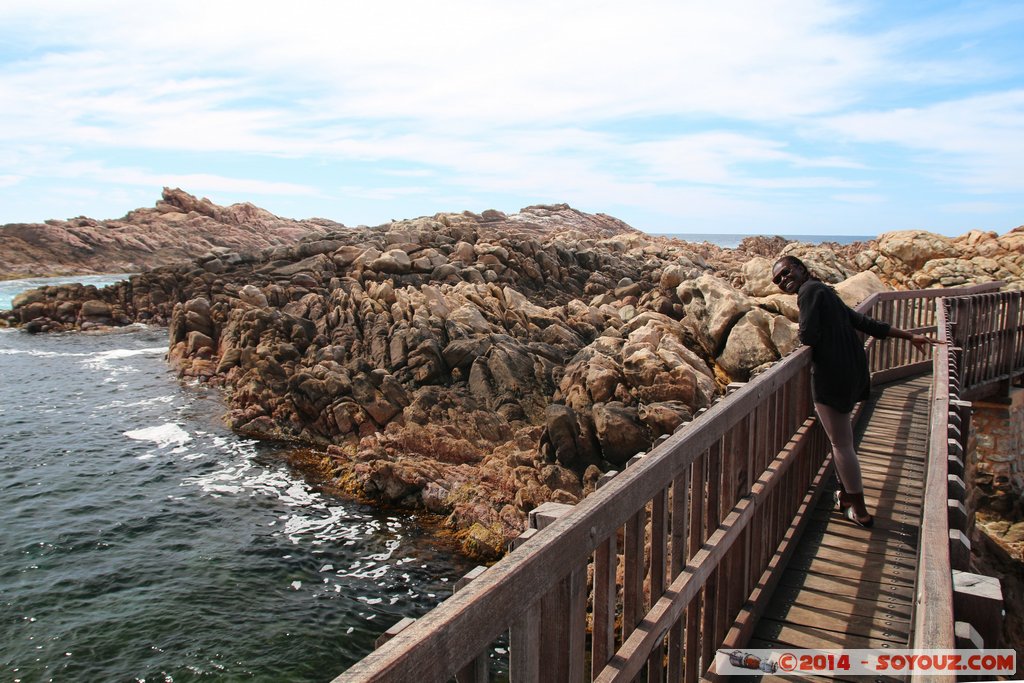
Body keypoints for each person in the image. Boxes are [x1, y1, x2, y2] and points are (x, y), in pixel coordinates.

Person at [771, 255, 940, 527]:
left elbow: (809, 336)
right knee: (842, 438)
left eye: (786, 272)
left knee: (842, 444)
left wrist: (801, 332)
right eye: (777, 280)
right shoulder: (824, 289)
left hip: (832, 377)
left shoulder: (809, 291)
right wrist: (908, 335)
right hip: (852, 372)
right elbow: (863, 322)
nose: (783, 280)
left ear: (801, 268)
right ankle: (847, 497)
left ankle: (859, 511)